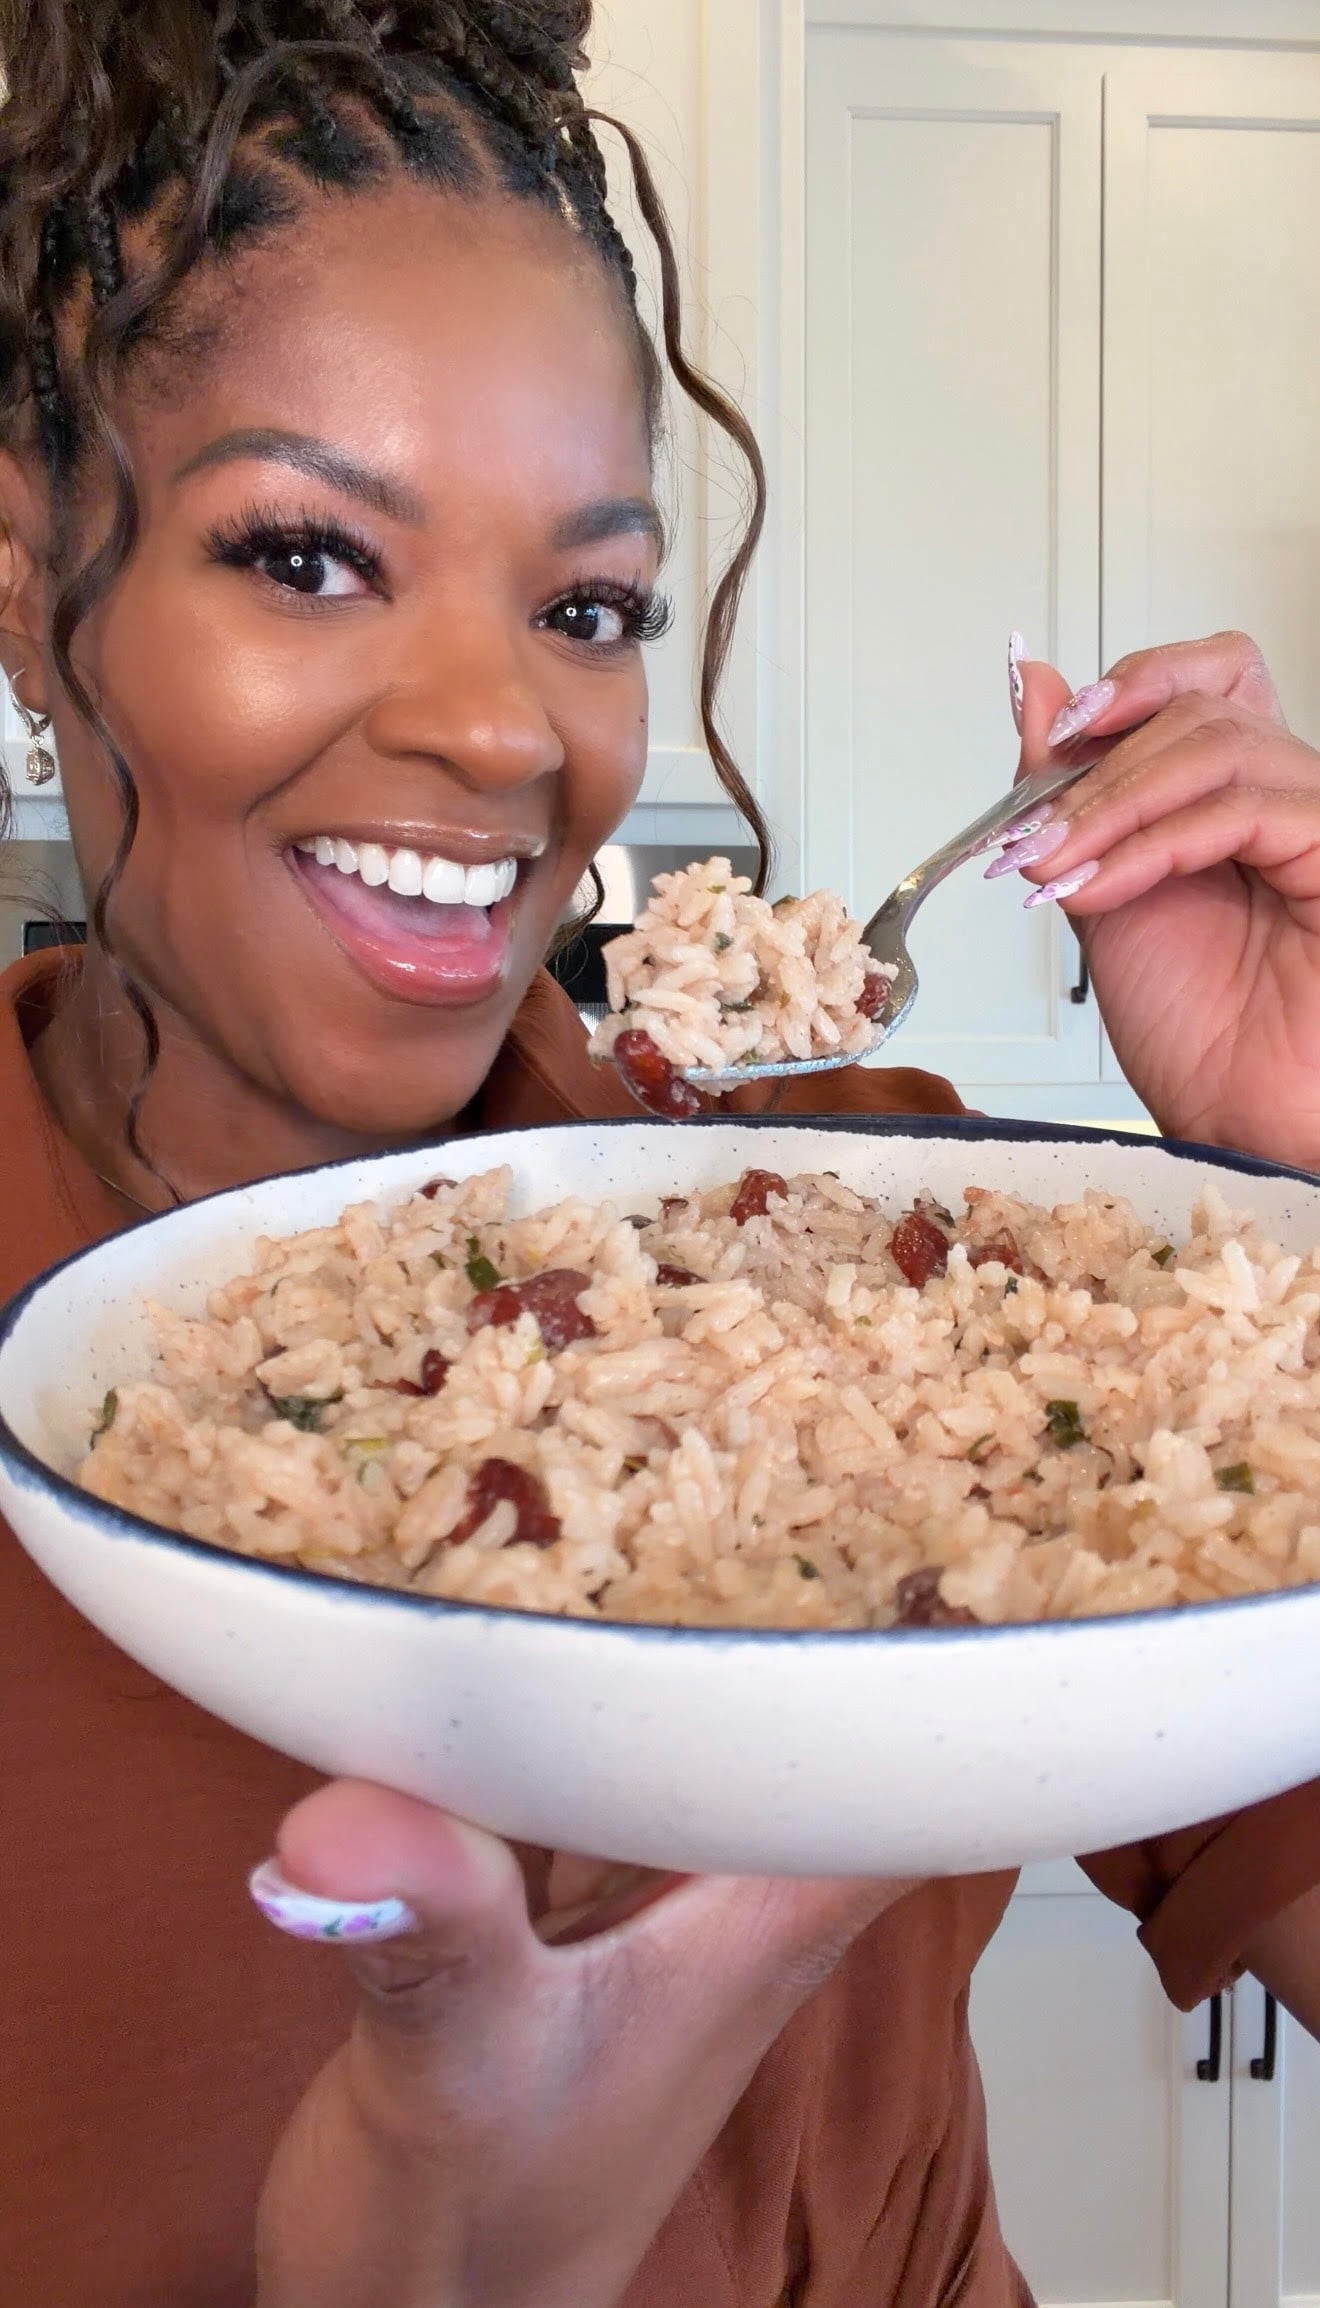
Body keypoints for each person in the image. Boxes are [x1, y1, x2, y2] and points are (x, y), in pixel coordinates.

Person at [2, 5, 1320, 2303]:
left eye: (586, 607)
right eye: (307, 554)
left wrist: (1298, 1165)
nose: (501, 727)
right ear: (27, 583)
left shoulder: (950, 1287)